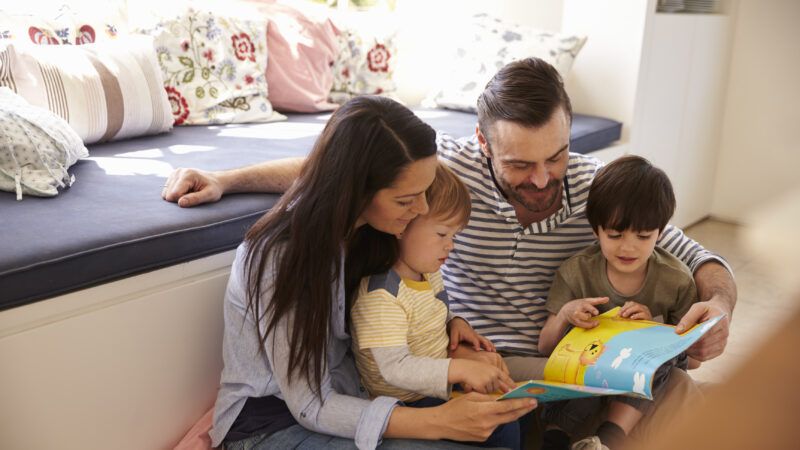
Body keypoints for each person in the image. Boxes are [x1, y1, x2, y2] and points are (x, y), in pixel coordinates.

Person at [163, 58, 737, 444]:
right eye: (520, 164)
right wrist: (228, 177)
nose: (542, 179)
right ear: (483, 146)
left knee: (677, 391)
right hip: (415, 382)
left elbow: (698, 257)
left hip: (530, 362)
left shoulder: (596, 190)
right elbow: (329, 168)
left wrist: (718, 306)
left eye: (556, 157)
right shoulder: (433, 186)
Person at [208, 96, 537, 450]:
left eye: (424, 192)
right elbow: (309, 404)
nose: (422, 209)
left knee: (501, 423)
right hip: (271, 425)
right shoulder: (281, 257)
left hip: (355, 393)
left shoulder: (376, 230)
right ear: (355, 190)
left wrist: (452, 329)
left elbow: (409, 300)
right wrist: (439, 420)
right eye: (405, 199)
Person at [350, 162, 519, 449]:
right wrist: (461, 369)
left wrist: (456, 322)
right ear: (402, 226)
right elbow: (395, 368)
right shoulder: (380, 295)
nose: (450, 246)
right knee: (499, 425)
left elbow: (431, 309)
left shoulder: (427, 272)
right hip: (406, 402)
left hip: (437, 384)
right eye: (442, 234)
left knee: (512, 411)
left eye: (454, 236)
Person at [536, 155, 700, 450]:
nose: (628, 246)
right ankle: (555, 437)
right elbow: (545, 347)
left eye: (643, 235)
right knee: (575, 364)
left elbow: (693, 360)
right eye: (614, 234)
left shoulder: (676, 279)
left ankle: (609, 438)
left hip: (642, 378)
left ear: (661, 232)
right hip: (589, 370)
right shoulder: (577, 270)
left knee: (659, 360)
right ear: (596, 229)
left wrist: (654, 331)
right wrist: (565, 314)